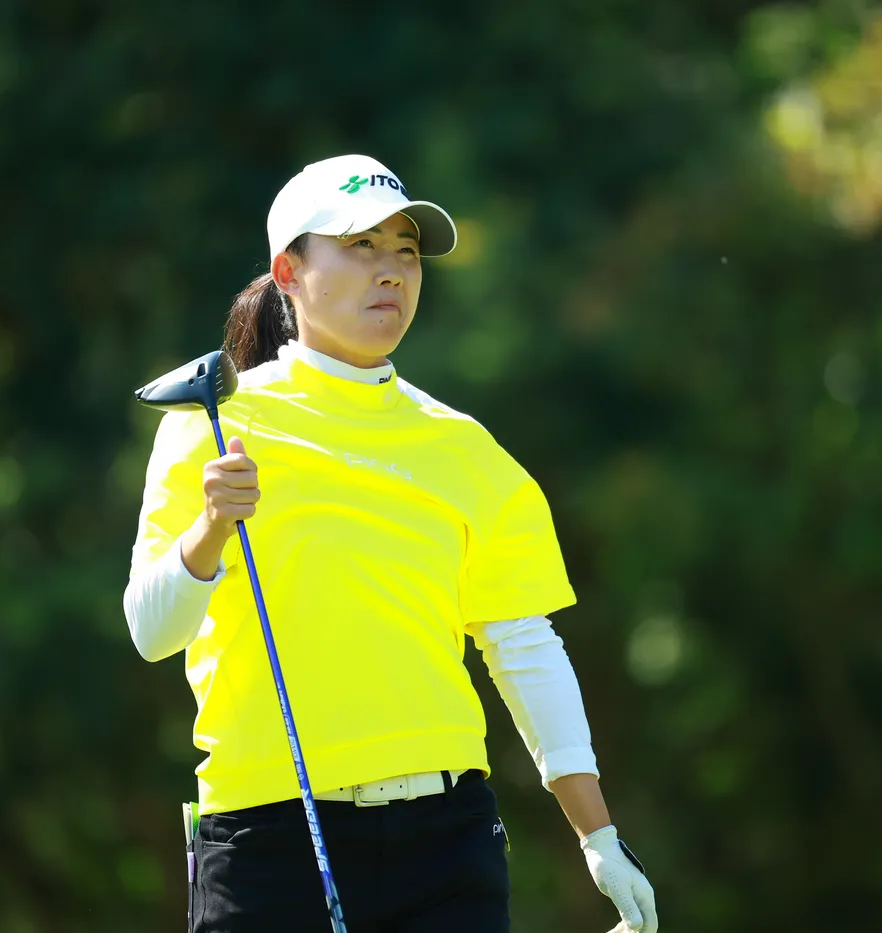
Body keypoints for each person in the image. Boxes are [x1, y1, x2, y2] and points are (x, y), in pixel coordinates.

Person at [123, 154, 658, 933]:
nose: (392, 271)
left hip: (446, 840)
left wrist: (598, 835)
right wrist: (209, 530)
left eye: (406, 252)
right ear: (289, 272)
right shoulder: (214, 421)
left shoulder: (463, 447)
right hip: (271, 836)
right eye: (362, 246)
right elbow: (151, 630)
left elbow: (523, 645)